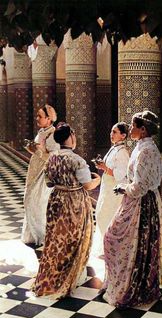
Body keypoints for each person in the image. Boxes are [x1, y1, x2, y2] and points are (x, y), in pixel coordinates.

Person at [101, 110, 162, 308]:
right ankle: (123, 282)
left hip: (142, 204)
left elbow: (140, 186)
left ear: (143, 129)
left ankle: (134, 286)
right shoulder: (141, 146)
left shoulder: (147, 151)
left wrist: (123, 187)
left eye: (133, 126)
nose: (130, 129)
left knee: (118, 239)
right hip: (138, 201)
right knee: (119, 240)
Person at [32, 123, 100, 298]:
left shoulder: (52, 158)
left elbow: (49, 183)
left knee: (56, 238)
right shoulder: (77, 160)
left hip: (56, 201)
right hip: (74, 202)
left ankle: (55, 272)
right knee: (74, 237)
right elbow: (87, 185)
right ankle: (72, 274)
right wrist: (98, 180)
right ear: (70, 138)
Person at [21, 104, 59, 246]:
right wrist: (32, 150)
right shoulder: (42, 131)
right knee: (31, 200)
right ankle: (32, 234)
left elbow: (54, 156)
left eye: (40, 116)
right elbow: (38, 152)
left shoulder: (53, 134)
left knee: (36, 201)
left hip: (44, 173)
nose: (37, 118)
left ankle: (42, 233)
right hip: (35, 169)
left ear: (49, 119)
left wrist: (39, 151)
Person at [93, 122, 130, 256]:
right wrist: (101, 165)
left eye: (114, 132)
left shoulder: (123, 152)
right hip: (107, 187)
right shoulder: (114, 148)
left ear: (123, 135)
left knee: (106, 215)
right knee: (101, 214)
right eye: (111, 131)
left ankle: (113, 246)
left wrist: (104, 168)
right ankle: (107, 245)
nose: (111, 134)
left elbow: (120, 174)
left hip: (114, 189)